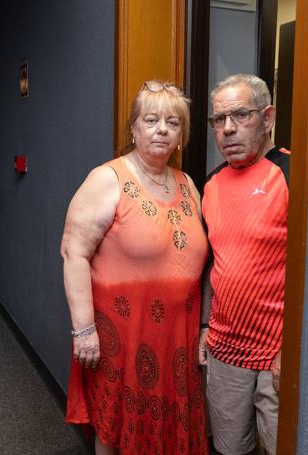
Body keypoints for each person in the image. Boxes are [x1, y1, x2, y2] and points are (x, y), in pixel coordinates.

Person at [62, 81, 209, 454]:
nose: (162, 129)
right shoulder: (107, 179)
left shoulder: (188, 184)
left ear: (181, 134)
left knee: (168, 428)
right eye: (151, 119)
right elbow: (73, 254)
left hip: (177, 337)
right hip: (123, 337)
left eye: (173, 122)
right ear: (134, 127)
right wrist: (83, 330)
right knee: (117, 428)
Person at [198, 74, 290, 455]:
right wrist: (204, 324)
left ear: (267, 118)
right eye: (219, 120)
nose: (228, 129)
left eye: (240, 115)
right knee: (229, 449)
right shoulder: (211, 184)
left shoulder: (292, 174)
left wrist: (295, 349)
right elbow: (208, 266)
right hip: (224, 352)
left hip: (276, 356)